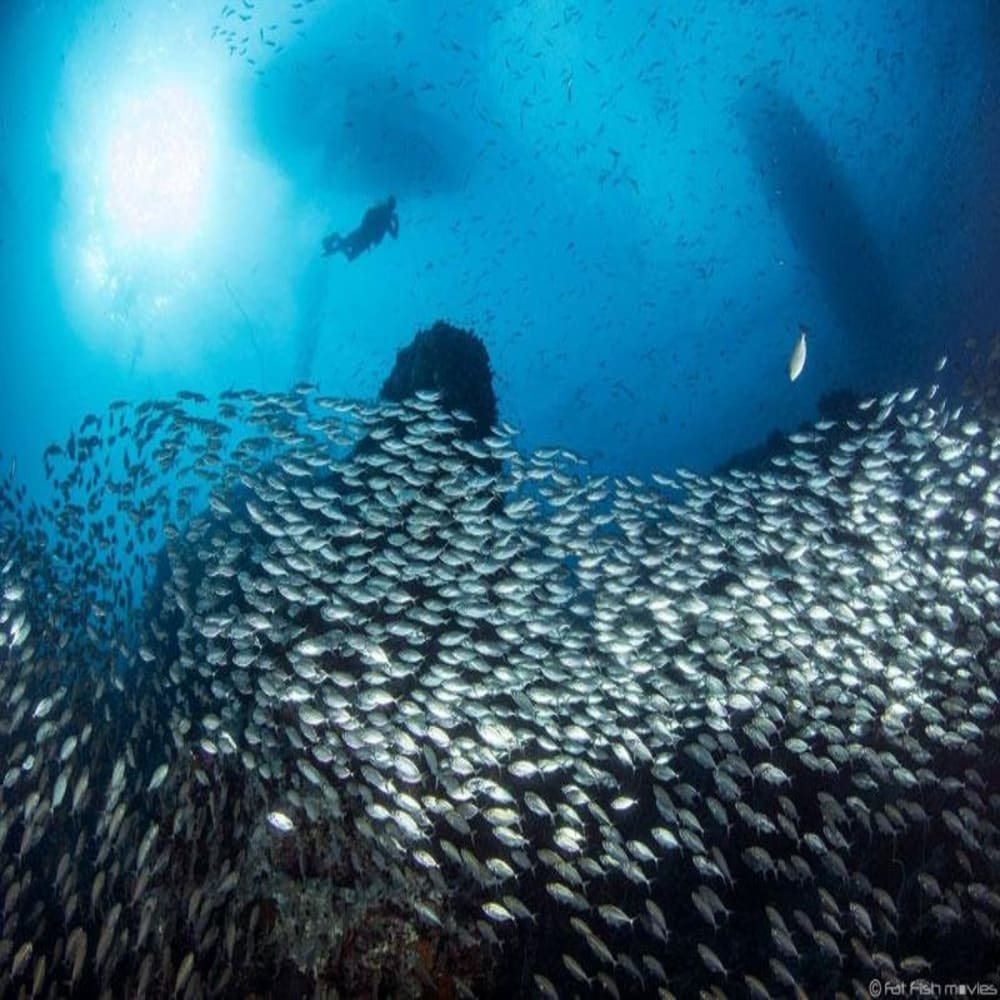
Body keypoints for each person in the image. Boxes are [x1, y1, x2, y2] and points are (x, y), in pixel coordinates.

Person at [321, 196, 399, 261]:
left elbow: (365, 218)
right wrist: (396, 222)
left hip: (363, 237)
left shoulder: (382, 215)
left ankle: (331, 247)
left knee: (349, 253)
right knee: (349, 253)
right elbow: (394, 235)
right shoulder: (386, 220)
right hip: (363, 236)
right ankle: (334, 239)